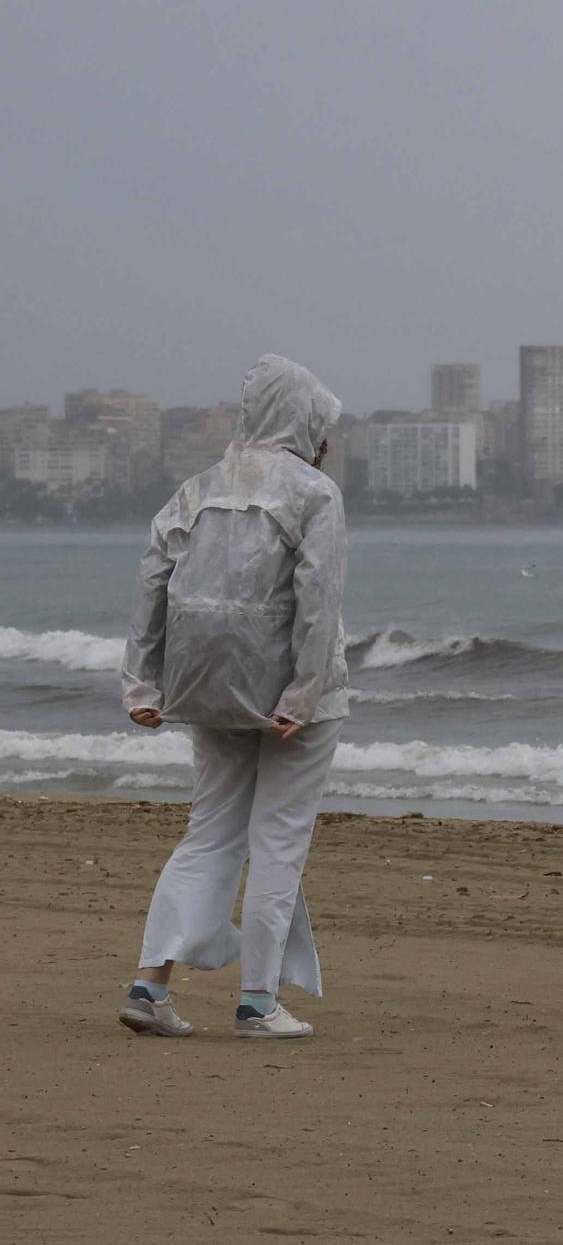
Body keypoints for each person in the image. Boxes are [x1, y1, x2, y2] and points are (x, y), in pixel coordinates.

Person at [117, 355, 350, 1041]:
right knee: (278, 840)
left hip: (209, 686)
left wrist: (141, 682)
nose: (326, 439)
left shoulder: (197, 489)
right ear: (304, 421)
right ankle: (256, 1001)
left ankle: (149, 984)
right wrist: (304, 695)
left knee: (210, 833)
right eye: (322, 424)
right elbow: (318, 601)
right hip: (290, 700)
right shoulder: (314, 493)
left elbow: (151, 584)